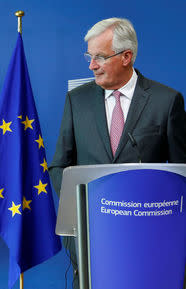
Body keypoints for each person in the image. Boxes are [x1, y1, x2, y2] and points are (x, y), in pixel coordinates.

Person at [49, 18, 186, 288]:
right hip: (92, 240)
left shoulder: (166, 101)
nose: (91, 65)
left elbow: (183, 173)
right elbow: (59, 166)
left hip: (149, 242)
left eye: (99, 57)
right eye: (89, 56)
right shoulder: (77, 100)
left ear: (126, 56)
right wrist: (82, 209)